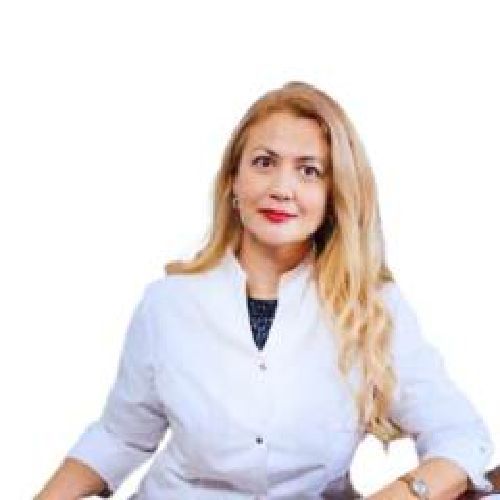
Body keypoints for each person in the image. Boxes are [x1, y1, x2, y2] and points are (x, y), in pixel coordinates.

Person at [35, 81, 495, 499]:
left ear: (335, 194)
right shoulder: (168, 304)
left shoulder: (372, 308)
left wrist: (405, 492)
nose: (281, 188)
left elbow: (461, 436)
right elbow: (121, 437)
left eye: (309, 170)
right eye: (264, 163)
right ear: (233, 182)